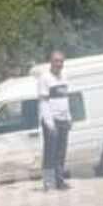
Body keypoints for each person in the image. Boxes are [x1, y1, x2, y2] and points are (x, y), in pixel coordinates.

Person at [36, 51, 73, 191]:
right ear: (50, 62)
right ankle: (48, 183)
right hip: (51, 121)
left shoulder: (65, 76)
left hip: (63, 120)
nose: (59, 64)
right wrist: (49, 123)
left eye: (61, 61)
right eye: (56, 61)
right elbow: (43, 102)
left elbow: (66, 99)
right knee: (50, 153)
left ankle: (60, 181)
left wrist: (69, 117)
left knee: (61, 152)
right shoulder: (44, 78)